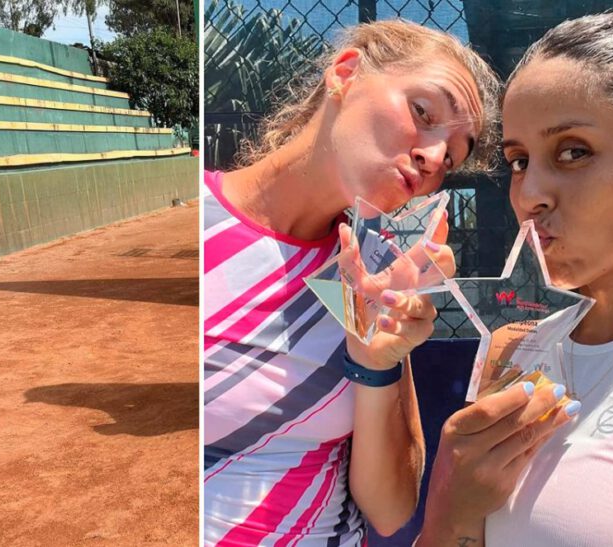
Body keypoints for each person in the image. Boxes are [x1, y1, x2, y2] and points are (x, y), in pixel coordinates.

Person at [417, 12, 613, 546]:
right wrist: (448, 511)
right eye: (519, 160)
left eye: (573, 151)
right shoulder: (512, 346)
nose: (529, 195)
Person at [202, 20, 499, 546]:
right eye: (423, 112)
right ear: (345, 73)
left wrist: (374, 361)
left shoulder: (373, 275)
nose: (434, 159)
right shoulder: (194, 224)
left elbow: (390, 510)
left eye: (452, 157)